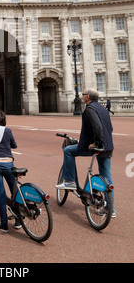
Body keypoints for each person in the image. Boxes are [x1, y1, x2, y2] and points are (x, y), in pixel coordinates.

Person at [56, 88, 115, 217]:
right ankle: (111, 209)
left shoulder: (89, 109)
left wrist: (95, 143)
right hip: (107, 146)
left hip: (96, 147)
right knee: (106, 176)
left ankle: (70, 181)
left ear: (87, 96)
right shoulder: (102, 108)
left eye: (83, 94)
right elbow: (109, 128)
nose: (82, 96)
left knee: (68, 151)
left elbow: (97, 128)